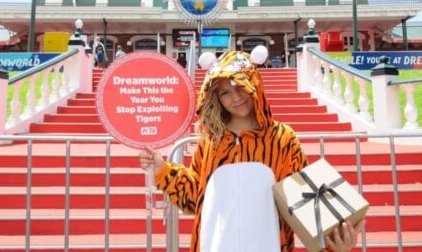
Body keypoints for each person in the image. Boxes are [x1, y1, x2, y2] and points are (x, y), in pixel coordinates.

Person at [139, 47, 364, 252]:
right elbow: (196, 199)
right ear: (215, 98)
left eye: (241, 87)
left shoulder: (282, 138)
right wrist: (162, 170)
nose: (235, 98)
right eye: (224, 93)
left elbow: (302, 204)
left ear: (254, 84)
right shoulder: (211, 141)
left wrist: (333, 244)